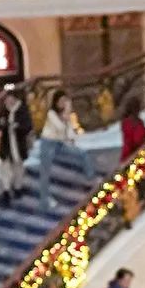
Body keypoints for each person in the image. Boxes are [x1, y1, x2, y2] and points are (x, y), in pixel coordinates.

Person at [38, 88, 92, 217]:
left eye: (65, 101)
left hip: (59, 143)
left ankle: (90, 177)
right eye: (61, 101)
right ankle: (45, 200)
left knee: (83, 153)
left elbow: (68, 131)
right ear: (56, 102)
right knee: (45, 172)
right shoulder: (52, 113)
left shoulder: (65, 114)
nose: (62, 103)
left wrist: (71, 139)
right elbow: (60, 127)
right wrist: (66, 115)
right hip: (48, 143)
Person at [120, 96, 145, 163]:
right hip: (131, 156)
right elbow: (132, 141)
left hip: (141, 153)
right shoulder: (127, 123)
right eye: (137, 108)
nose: (139, 110)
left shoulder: (139, 121)